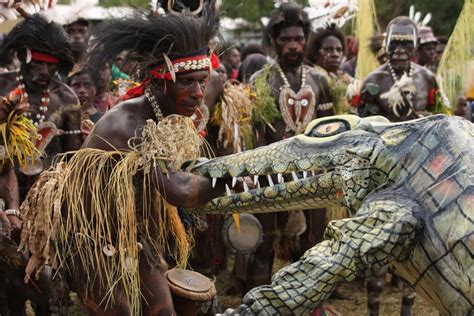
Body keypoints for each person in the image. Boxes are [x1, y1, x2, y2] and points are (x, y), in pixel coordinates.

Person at [20, 5, 231, 315]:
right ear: (160, 81)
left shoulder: (166, 114)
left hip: (133, 235)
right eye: (187, 82)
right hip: (91, 237)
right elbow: (179, 191)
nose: (198, 92)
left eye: (202, 81)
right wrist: (231, 182)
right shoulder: (129, 122)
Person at [232, 2, 331, 296]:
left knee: (313, 245)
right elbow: (255, 136)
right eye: (285, 39)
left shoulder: (319, 80)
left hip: (315, 174)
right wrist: (263, 174)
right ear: (274, 41)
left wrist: (327, 169)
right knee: (265, 244)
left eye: (298, 39)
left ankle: (306, 304)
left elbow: (329, 128)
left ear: (306, 40)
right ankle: (258, 305)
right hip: (271, 174)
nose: (292, 45)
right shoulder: (261, 81)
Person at [0, 13, 81, 315]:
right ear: (23, 56)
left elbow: (74, 157)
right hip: (3, 192)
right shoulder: (3, 89)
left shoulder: (67, 98)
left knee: (47, 274)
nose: (45, 71)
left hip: (47, 198)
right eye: (39, 63)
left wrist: (59, 196)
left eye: (51, 64)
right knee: (7, 277)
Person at [354, 17, 439, 122]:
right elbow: (364, 125)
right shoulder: (373, 81)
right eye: (394, 43)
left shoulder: (427, 78)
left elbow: (437, 116)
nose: (399, 50)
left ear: (417, 43)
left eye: (406, 43)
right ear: (386, 43)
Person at [67, 64, 104, 140]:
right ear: (68, 88)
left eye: (87, 85)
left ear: (94, 89)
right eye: (76, 86)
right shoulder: (62, 118)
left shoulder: (103, 119)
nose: (82, 91)